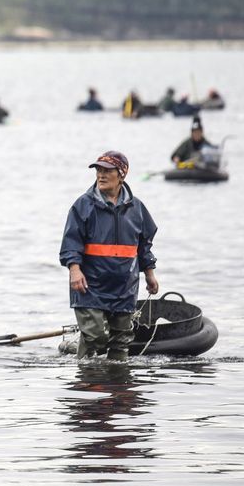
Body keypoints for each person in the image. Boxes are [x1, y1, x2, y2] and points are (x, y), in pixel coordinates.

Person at [59, 151, 158, 362]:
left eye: (107, 171)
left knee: (120, 343)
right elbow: (71, 243)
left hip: (124, 287)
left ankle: (118, 387)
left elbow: (143, 246)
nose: (101, 175)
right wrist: (74, 270)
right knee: (96, 336)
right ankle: (87, 382)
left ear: (121, 175)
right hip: (89, 285)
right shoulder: (83, 205)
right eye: (98, 171)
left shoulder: (137, 209)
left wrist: (149, 274)